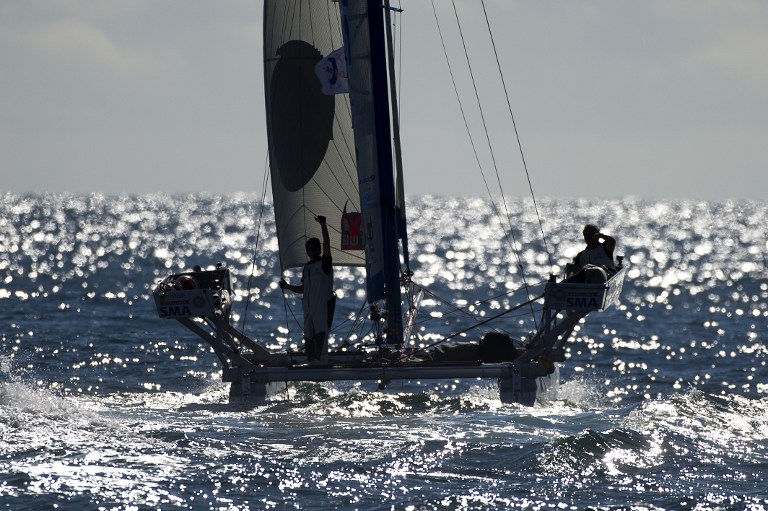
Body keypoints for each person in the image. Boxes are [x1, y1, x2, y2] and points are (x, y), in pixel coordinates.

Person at [279, 216, 335, 364]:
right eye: (308, 249)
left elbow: (328, 246)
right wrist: (288, 286)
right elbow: (303, 289)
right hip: (308, 310)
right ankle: (312, 362)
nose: (311, 251)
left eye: (314, 248)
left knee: (321, 334)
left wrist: (324, 227)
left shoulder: (325, 264)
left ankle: (322, 362)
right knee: (309, 337)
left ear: (319, 249)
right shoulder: (307, 267)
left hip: (321, 308)